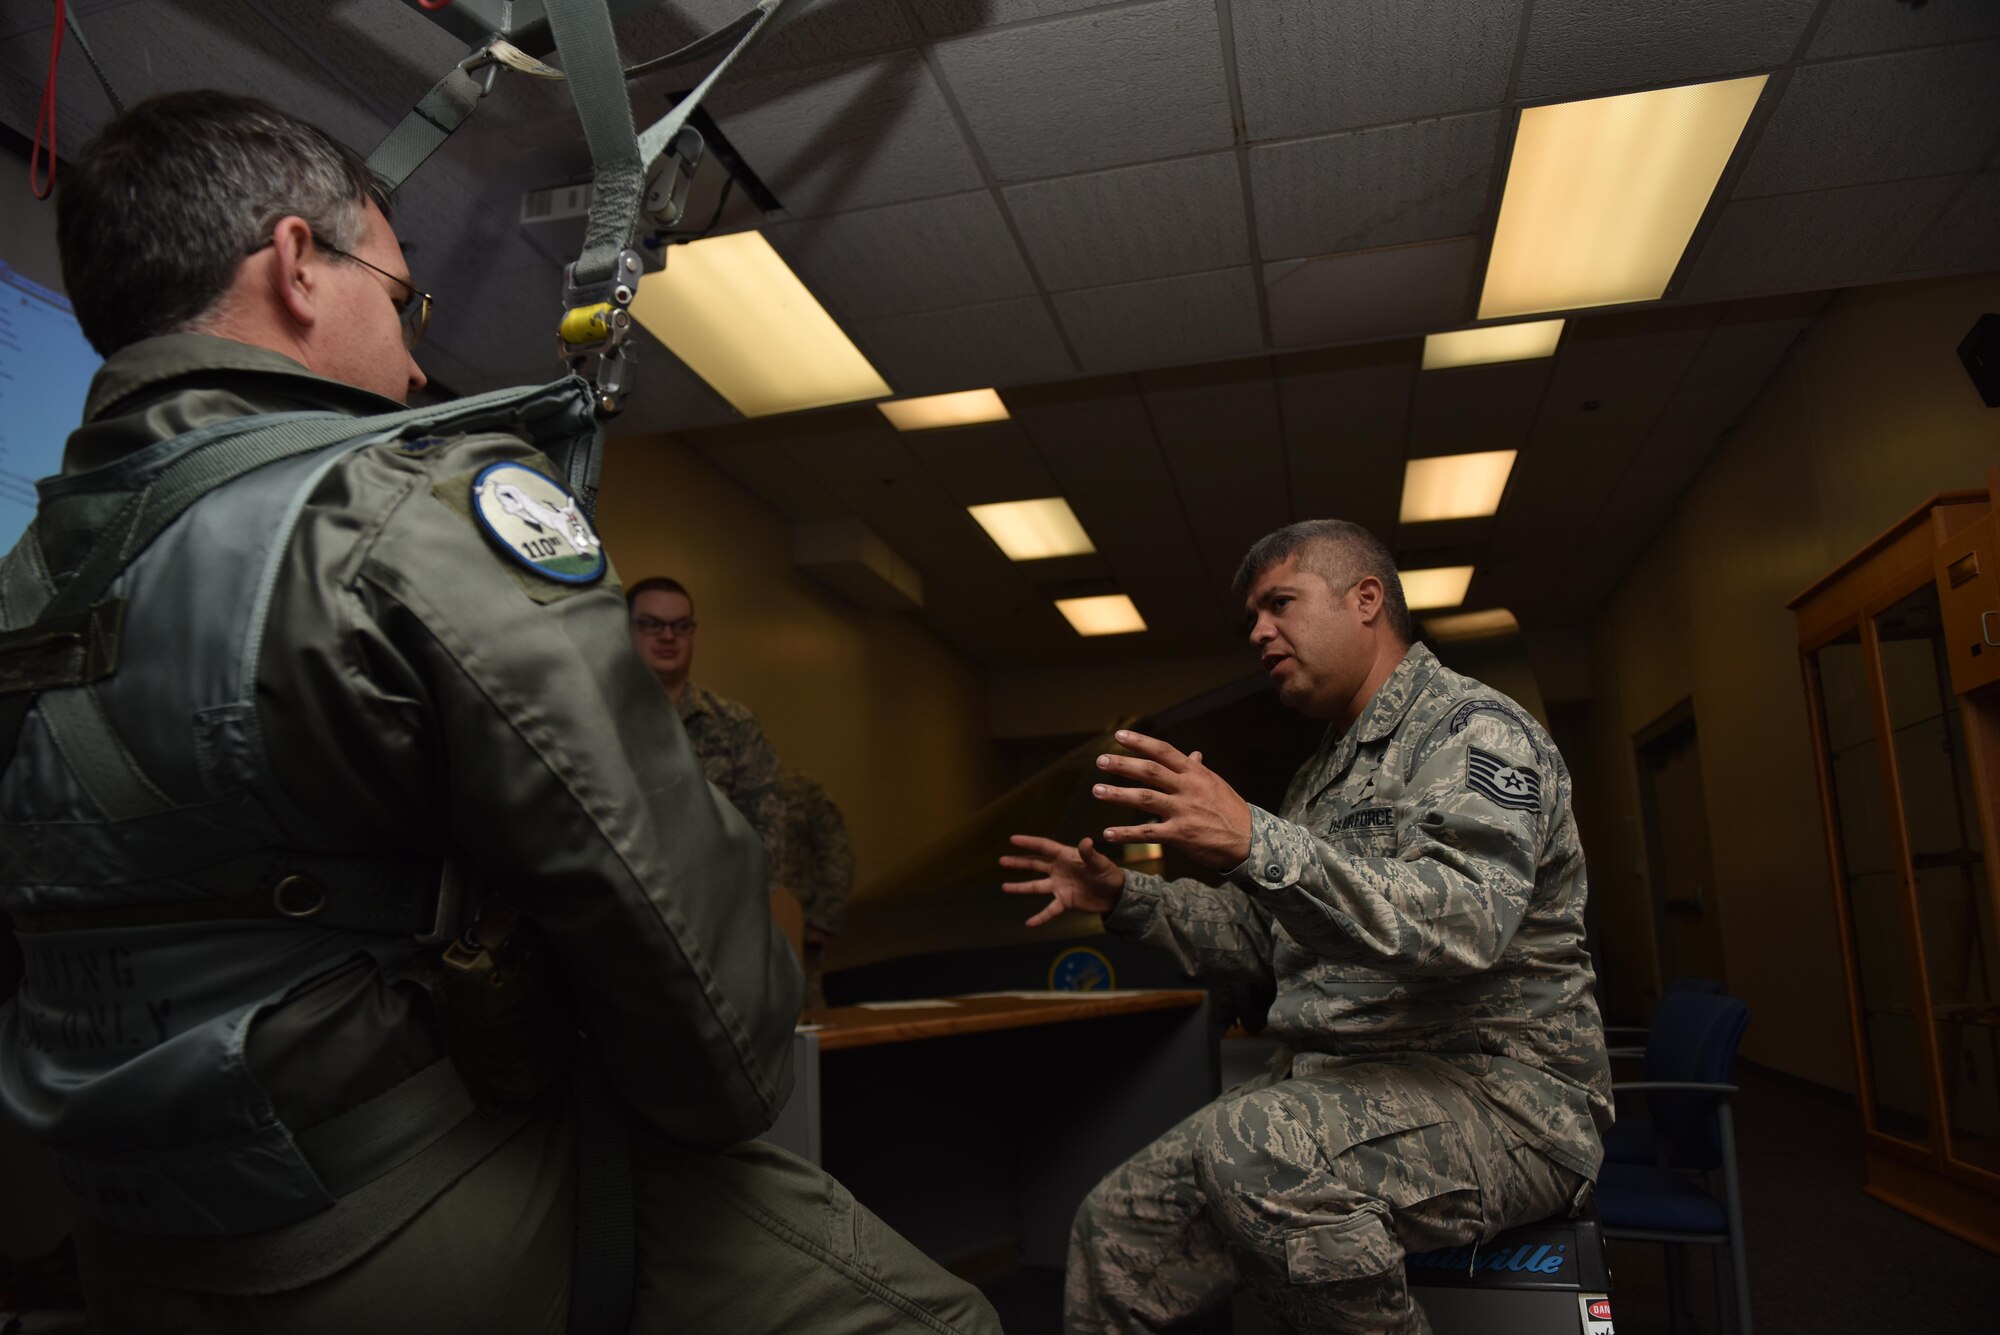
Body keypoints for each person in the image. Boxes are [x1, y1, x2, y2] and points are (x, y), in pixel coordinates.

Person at [0, 90, 998, 1335]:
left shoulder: (27, 582)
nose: (416, 359)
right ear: (299, 268)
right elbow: (706, 1003)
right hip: (389, 1221)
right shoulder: (406, 506)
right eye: (402, 295)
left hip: (130, 1237)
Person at [1003, 519, 1609, 1335]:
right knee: (1116, 1227)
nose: (1259, 632)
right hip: (1344, 1084)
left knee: (1255, 1146)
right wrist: (1126, 898)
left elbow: (1466, 921)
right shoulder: (1322, 771)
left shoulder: (1473, 729)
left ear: (1366, 600)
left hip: (1500, 1096)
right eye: (1253, 616)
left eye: (1279, 603)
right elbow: (1266, 942)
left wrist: (1259, 839)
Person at [626, 576, 787, 871]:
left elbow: (767, 831)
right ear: (626, 629)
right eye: (651, 624)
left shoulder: (734, 725)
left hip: (715, 899)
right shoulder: (602, 720)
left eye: (681, 626)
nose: (667, 636)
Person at [774, 768, 856, 1008]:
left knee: (805, 1017)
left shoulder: (801, 792)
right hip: (737, 940)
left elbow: (837, 856)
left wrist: (822, 921)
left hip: (797, 936)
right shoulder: (716, 794)